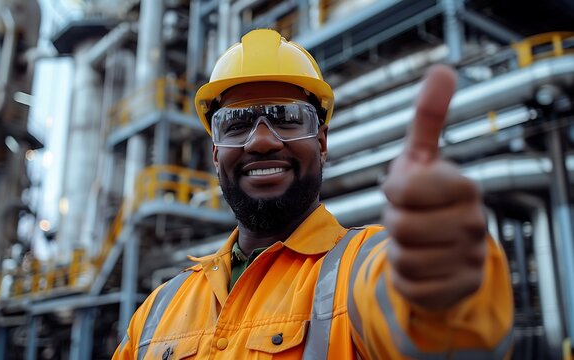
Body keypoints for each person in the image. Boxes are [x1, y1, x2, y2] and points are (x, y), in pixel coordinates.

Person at [113, 29, 512, 359]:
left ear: (321, 142)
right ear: (216, 154)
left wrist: (440, 281)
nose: (262, 141)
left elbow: (437, 335)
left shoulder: (363, 268)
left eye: (287, 118)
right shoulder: (156, 312)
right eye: (236, 123)